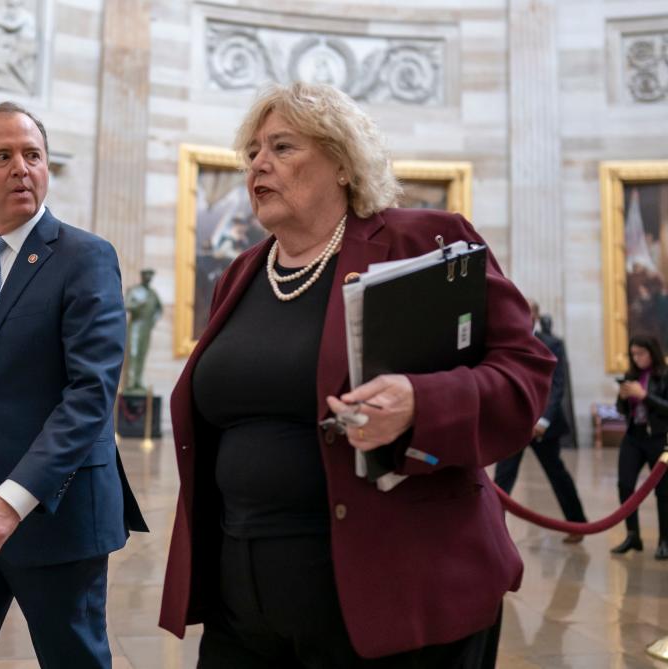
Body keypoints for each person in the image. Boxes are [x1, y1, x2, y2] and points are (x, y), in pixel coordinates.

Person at [158, 82, 554, 668]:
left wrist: (421, 403)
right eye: (253, 153)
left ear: (342, 162)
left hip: (391, 597)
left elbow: (525, 374)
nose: (258, 164)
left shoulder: (424, 241)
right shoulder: (240, 273)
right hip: (242, 602)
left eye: (283, 148)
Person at [0, 101, 147, 668]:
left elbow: (90, 395)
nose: (21, 167)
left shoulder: (86, 257)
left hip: (55, 513)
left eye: (33, 155)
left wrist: (12, 501)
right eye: (3, 155)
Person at [494, 300, 588, 543]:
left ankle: (578, 524)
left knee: (557, 474)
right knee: (503, 478)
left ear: (534, 315)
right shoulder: (507, 342)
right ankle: (491, 530)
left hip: (544, 426)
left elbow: (557, 385)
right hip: (516, 423)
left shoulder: (553, 344)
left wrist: (543, 420)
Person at [612, 334, 668, 560]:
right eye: (633, 354)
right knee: (625, 485)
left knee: (663, 491)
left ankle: (665, 540)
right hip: (634, 436)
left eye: (641, 353)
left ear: (652, 352)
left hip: (658, 437)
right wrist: (623, 397)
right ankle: (632, 535)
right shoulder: (631, 375)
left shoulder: (664, 375)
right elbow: (622, 409)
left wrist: (644, 396)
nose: (637, 358)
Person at [123, 268, 163, 393]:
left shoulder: (153, 293)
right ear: (142, 276)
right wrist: (138, 305)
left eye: (151, 275)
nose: (149, 277)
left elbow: (159, 309)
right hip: (135, 325)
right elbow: (126, 305)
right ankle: (130, 383)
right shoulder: (134, 290)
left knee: (142, 354)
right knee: (133, 354)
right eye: (147, 274)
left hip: (146, 327)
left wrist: (153, 321)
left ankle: (138, 381)